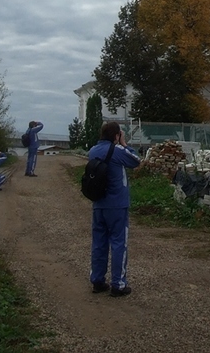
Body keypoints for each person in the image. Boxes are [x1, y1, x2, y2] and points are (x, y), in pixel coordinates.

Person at [88, 121, 140, 297]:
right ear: (116, 135)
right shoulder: (117, 150)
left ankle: (97, 280)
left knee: (99, 243)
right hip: (117, 204)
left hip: (99, 203)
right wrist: (124, 143)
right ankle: (118, 284)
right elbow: (136, 161)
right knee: (119, 243)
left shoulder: (93, 150)